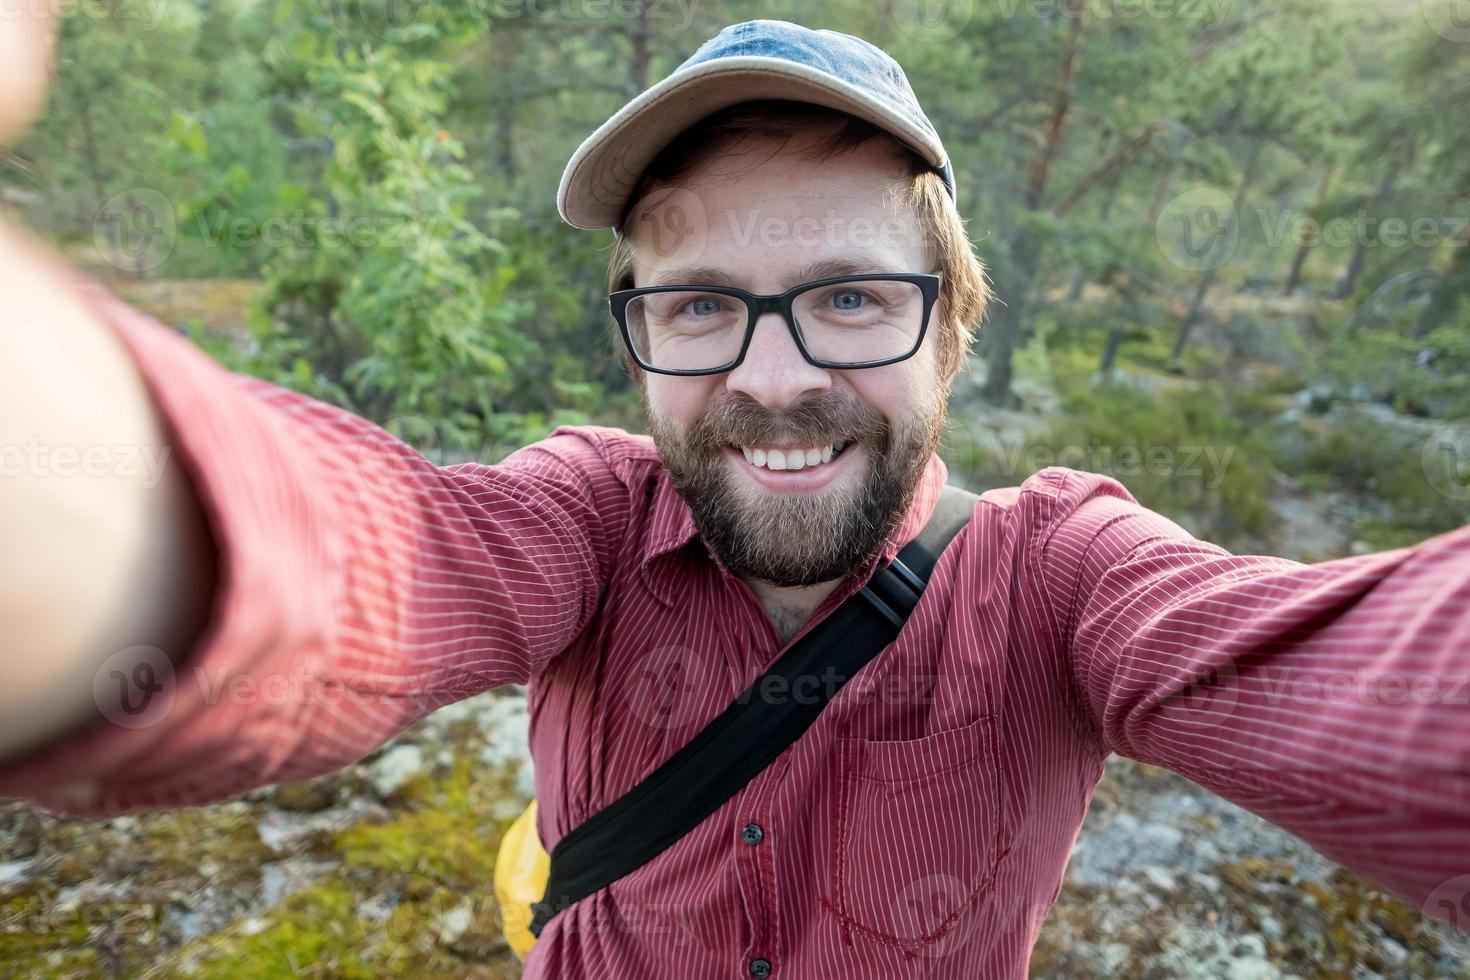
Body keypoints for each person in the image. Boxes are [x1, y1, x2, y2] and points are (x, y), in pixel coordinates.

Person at [2, 14, 1467, 980]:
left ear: (950, 329)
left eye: (845, 296)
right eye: (699, 307)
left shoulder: (1063, 579)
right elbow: (368, 562)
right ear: (638, 336)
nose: (770, 379)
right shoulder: (578, 521)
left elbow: (1347, 668)